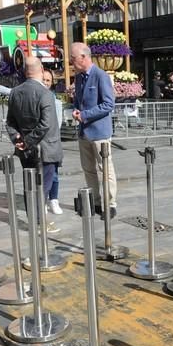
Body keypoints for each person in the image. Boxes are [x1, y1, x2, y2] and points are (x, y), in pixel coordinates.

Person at [7, 57, 64, 231]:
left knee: (29, 186)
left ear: (25, 71)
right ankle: (39, 223)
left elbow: (10, 122)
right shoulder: (45, 93)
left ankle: (34, 220)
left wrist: (18, 139)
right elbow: (46, 124)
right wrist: (28, 141)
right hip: (44, 149)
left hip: (25, 151)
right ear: (40, 69)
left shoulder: (15, 92)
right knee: (42, 188)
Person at [71, 42, 117, 218]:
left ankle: (110, 204)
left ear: (84, 57)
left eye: (73, 58)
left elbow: (108, 104)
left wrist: (85, 115)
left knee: (105, 169)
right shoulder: (79, 77)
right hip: (84, 132)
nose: (71, 62)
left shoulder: (100, 76)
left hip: (100, 133)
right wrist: (76, 110)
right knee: (88, 169)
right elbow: (79, 100)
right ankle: (96, 202)